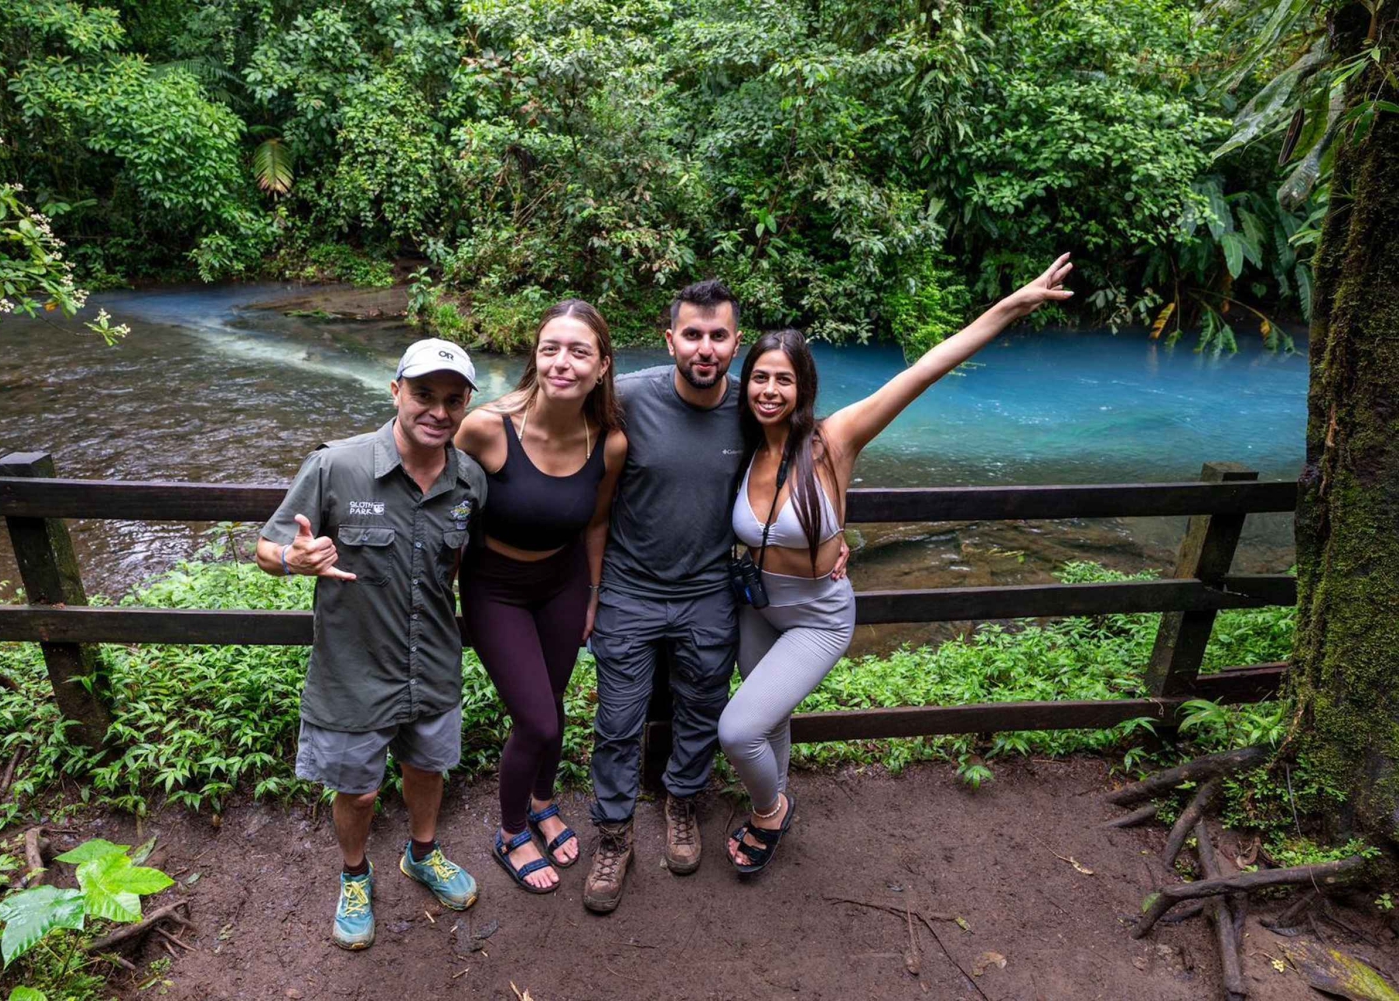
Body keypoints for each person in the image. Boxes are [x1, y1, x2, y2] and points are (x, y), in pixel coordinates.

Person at [719, 253, 1075, 874]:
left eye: (783, 380)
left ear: (804, 387)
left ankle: (771, 810)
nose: (769, 391)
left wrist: (1016, 304)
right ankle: (774, 792)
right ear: (745, 384)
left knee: (737, 730)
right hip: (756, 606)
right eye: (760, 379)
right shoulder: (741, 440)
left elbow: (928, 368)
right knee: (767, 717)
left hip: (815, 617)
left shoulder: (834, 440)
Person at [580, 279, 846, 913]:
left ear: (736, 342)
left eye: (719, 336)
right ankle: (613, 835)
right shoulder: (626, 399)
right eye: (693, 334)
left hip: (709, 592)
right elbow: (548, 414)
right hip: (629, 591)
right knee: (617, 722)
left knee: (702, 711)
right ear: (670, 339)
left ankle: (681, 804)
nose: (705, 348)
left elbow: (807, 465)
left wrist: (836, 535)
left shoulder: (751, 410)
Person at [255, 338, 487, 950]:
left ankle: (422, 853)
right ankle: (355, 874)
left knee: (427, 767)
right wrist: (294, 559)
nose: (437, 410)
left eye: (452, 399)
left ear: (466, 405)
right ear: (395, 392)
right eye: (423, 394)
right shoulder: (336, 466)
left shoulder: (470, 480)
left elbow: (459, 564)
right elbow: (266, 549)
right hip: (352, 668)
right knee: (357, 790)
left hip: (432, 661)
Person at [454, 300, 627, 894]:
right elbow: (434, 493)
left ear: (602, 366)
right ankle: (510, 832)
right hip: (494, 587)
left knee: (552, 701)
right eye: (550, 348)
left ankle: (543, 802)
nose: (562, 362)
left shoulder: (608, 442)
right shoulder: (485, 427)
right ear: (535, 355)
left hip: (563, 581)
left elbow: (596, 522)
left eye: (579, 351)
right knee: (536, 719)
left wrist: (593, 594)